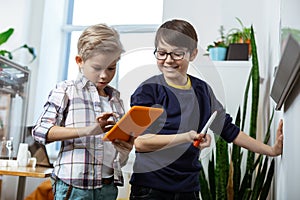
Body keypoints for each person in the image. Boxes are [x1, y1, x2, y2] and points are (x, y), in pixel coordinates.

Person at [129, 19, 283, 200]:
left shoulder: (202, 91)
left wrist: (271, 151)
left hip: (188, 189)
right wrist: (186, 137)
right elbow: (140, 142)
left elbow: (229, 130)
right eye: (162, 53)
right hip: (150, 188)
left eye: (177, 54)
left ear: (192, 54)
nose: (168, 60)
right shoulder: (147, 90)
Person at [32, 23, 134, 200]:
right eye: (97, 68)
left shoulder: (115, 99)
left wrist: (126, 147)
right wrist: (88, 130)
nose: (104, 75)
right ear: (80, 61)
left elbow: (115, 153)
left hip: (108, 186)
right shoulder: (66, 90)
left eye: (111, 68)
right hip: (75, 186)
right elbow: (40, 131)